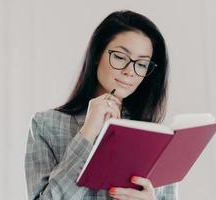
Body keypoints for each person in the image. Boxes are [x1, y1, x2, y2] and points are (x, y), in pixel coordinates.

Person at [25, 10, 178, 200]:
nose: (129, 71)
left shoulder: (157, 138)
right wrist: (88, 132)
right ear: (97, 54)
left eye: (141, 64)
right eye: (120, 57)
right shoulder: (46, 125)